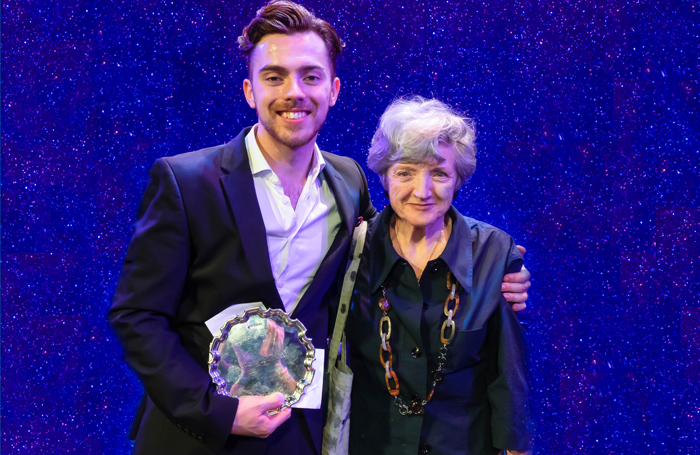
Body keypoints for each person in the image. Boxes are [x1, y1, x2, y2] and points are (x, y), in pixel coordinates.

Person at [108, 2, 531, 455]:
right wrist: (219, 412)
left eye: (310, 76)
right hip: (198, 436)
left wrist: (494, 274)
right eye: (275, 77)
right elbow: (137, 316)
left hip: (301, 435)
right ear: (250, 91)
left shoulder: (349, 184)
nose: (295, 92)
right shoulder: (186, 181)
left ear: (333, 89)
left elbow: (398, 258)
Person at [346, 97, 531, 455]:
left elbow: (508, 377)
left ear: (458, 178)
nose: (422, 191)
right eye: (405, 172)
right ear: (383, 175)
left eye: (439, 173)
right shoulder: (352, 252)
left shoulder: (494, 251)